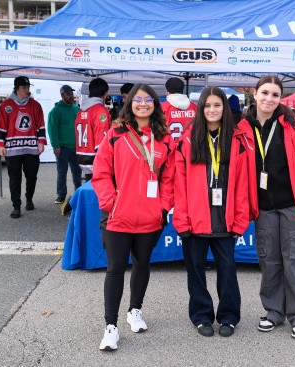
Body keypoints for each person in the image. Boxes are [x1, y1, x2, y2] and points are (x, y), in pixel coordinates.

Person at [92, 83, 176, 351]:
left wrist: (163, 207)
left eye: (148, 99)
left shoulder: (164, 138)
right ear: (129, 104)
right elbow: (101, 171)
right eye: (137, 99)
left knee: (142, 264)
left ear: (155, 104)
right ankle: (111, 326)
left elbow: (170, 178)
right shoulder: (115, 134)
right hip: (118, 217)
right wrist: (110, 202)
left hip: (150, 218)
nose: (143, 104)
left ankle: (135, 310)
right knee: (115, 269)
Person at [237, 75, 295, 340]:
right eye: (265, 93)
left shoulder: (293, 125)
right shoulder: (242, 127)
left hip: (292, 204)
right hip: (264, 207)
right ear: (255, 94)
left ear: (280, 98)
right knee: (269, 260)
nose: (269, 99)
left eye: (274, 94)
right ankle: (273, 311)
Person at [173, 87, 249, 338]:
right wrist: (181, 219)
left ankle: (228, 316)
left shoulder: (237, 140)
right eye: (207, 105)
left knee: (227, 271)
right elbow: (179, 183)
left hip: (225, 220)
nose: (212, 110)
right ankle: (201, 315)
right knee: (195, 271)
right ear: (200, 109)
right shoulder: (187, 139)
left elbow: (242, 185)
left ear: (224, 109)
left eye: (217, 105)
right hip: (195, 220)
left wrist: (240, 219)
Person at [0, 76, 46, 219]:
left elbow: (40, 125)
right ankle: (16, 206)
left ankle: (29, 198)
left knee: (31, 177)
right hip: (13, 149)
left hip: (31, 148)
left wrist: (41, 142)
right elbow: (1, 126)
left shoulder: (35, 105)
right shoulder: (6, 105)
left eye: (28, 87)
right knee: (14, 179)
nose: (27, 90)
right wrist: (0, 145)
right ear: (16, 88)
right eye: (24, 87)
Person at [47, 84, 82, 204]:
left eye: (71, 93)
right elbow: (52, 129)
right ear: (62, 95)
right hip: (62, 147)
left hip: (76, 147)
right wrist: (55, 145)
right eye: (68, 94)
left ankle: (78, 192)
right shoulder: (55, 111)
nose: (71, 96)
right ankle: (61, 195)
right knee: (62, 171)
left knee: (77, 171)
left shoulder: (76, 109)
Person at [75, 78, 111, 182]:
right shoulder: (100, 111)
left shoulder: (80, 111)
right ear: (103, 94)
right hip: (95, 158)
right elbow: (102, 139)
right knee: (98, 191)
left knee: (89, 186)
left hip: (81, 155)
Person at [161, 77, 197, 142]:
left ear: (167, 91)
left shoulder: (162, 107)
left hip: (169, 148)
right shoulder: (194, 107)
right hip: (190, 148)